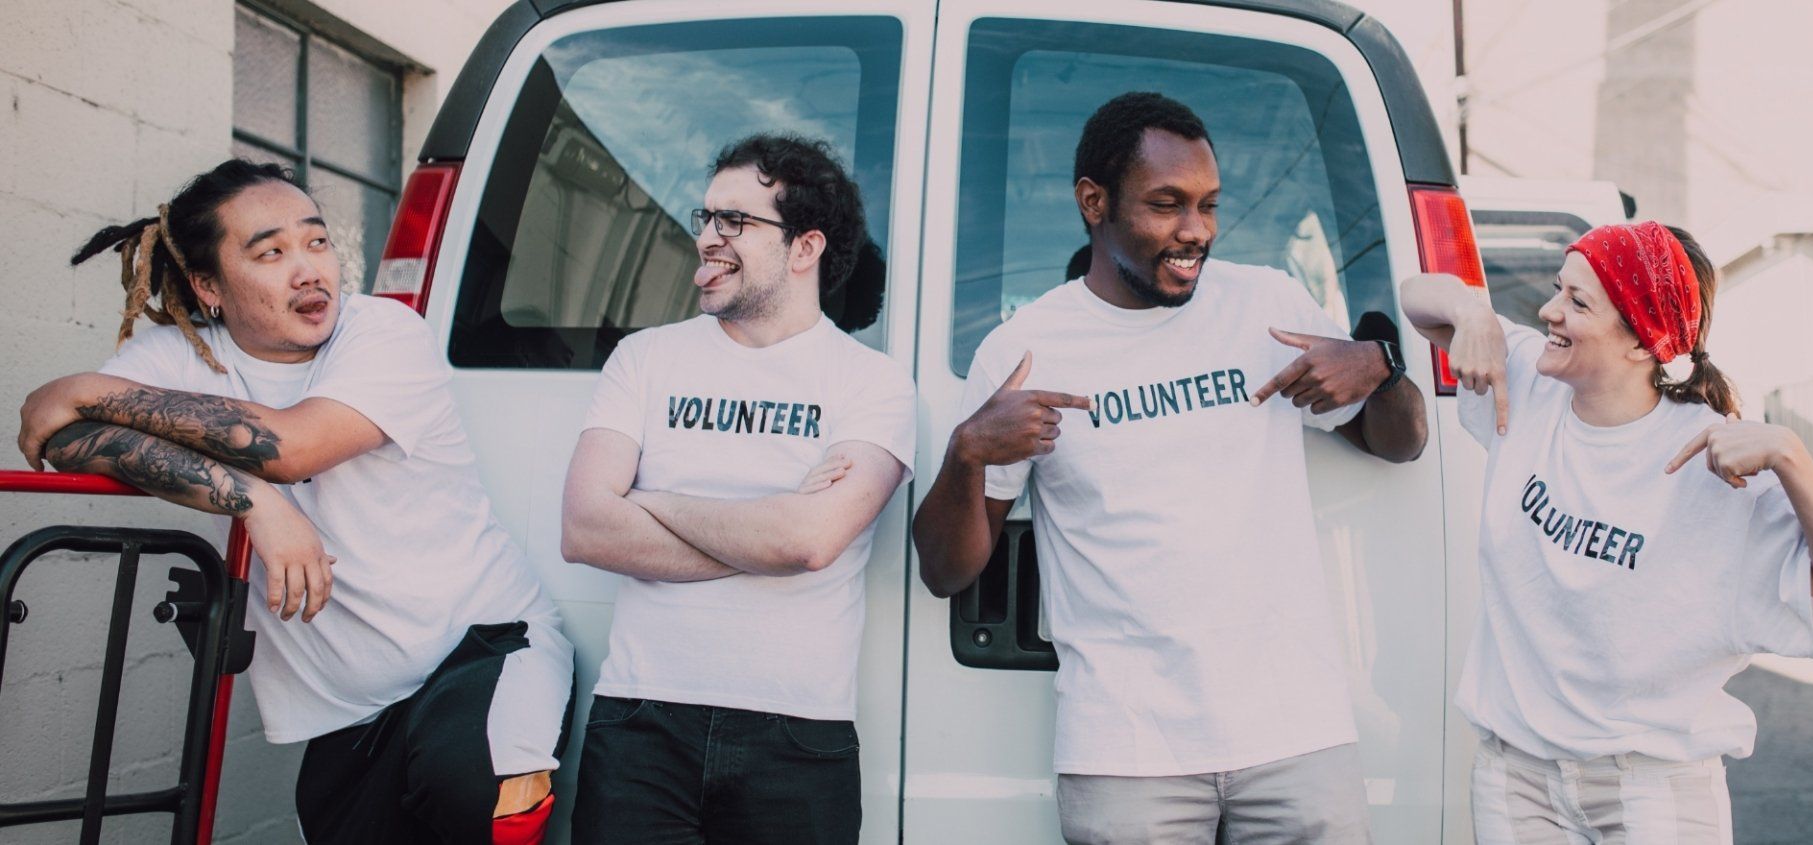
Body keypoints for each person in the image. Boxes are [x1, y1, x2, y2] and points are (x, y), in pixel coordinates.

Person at [913, 91, 1426, 844]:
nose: (1196, 231)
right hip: (1128, 752)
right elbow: (945, 571)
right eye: (1167, 204)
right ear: (1094, 202)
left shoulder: (1267, 306)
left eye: (1209, 205)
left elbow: (1401, 441)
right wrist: (966, 452)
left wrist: (1379, 365)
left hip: (1297, 734)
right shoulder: (1026, 349)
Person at [16, 159, 574, 843]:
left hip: (486, 645)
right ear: (207, 285)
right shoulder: (181, 356)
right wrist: (254, 500)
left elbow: (292, 445)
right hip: (350, 711)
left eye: (316, 242)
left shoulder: (383, 332)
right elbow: (61, 435)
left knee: (481, 791)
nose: (309, 269)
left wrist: (89, 389)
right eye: (271, 252)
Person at [1399, 220, 1813, 844]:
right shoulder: (1528, 383)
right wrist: (1474, 312)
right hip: (1514, 776)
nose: (1549, 311)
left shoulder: (1712, 459)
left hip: (1653, 787)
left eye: (1578, 302)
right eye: (1558, 289)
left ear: (1639, 341)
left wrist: (1792, 457)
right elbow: (1417, 296)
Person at [560, 133, 915, 845]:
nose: (709, 239)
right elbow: (586, 528)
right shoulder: (646, 358)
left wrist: (650, 501)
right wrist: (766, 530)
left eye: (737, 222)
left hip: (797, 734)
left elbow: (809, 541)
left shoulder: (871, 383)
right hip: (639, 721)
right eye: (706, 217)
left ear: (804, 248)